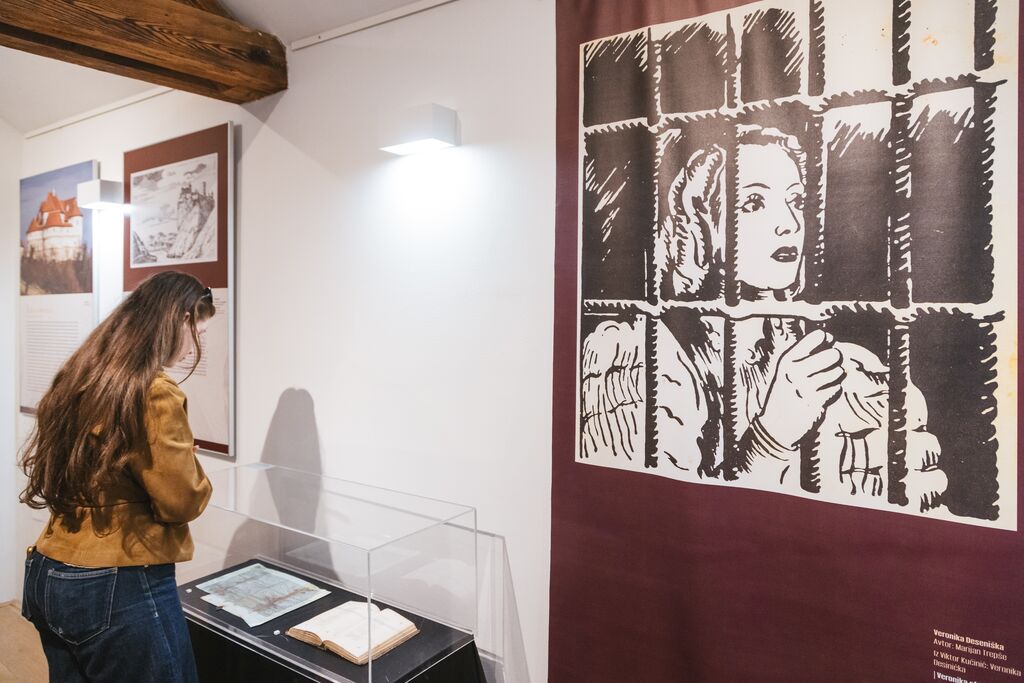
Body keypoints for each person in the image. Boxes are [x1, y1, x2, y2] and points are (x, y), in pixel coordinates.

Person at [582, 124, 946, 511]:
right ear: (700, 225)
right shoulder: (634, 357)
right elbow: (652, 520)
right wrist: (773, 435)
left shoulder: (845, 367)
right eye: (753, 203)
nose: (789, 223)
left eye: (796, 200)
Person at [19, 271, 215, 683]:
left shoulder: (85, 374)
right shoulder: (154, 391)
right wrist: (190, 466)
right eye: (197, 329)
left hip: (49, 567)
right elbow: (181, 501)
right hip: (118, 580)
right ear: (179, 318)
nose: (193, 344)